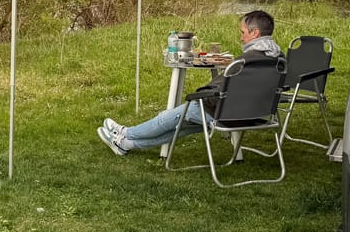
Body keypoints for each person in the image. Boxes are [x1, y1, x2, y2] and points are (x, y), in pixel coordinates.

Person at [97, 10, 282, 156]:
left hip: (225, 114)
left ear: (255, 32)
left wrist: (200, 95)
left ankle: (125, 133)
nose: (241, 37)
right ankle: (125, 143)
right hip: (253, 115)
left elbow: (223, 88)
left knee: (172, 116)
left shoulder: (247, 60)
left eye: (243, 33)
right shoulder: (279, 59)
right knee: (181, 126)